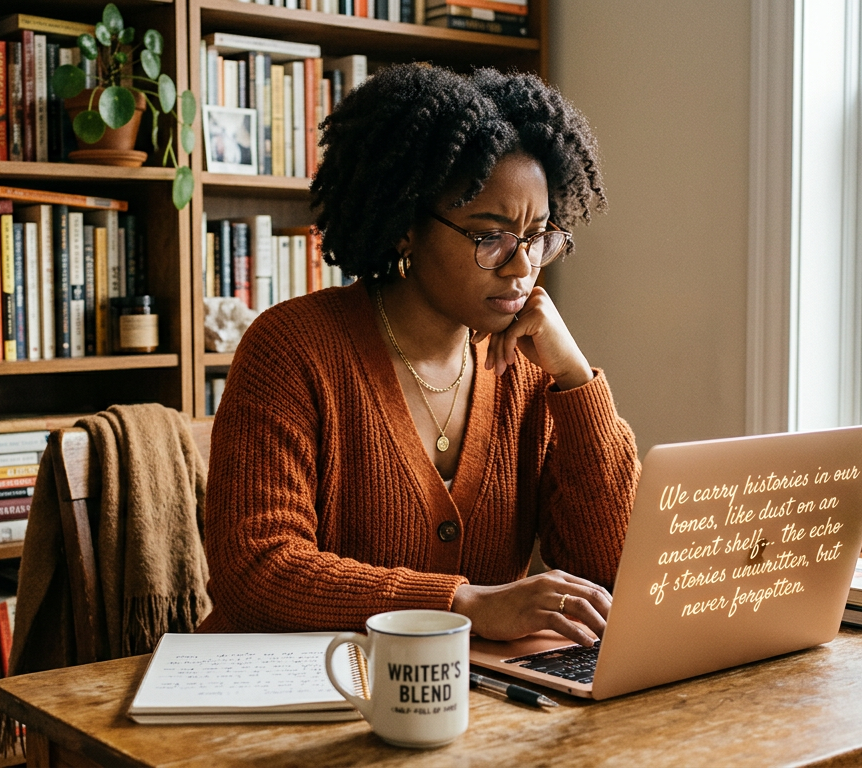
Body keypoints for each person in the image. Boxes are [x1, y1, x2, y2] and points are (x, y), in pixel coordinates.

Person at [198, 64, 640, 649]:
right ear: (406, 226)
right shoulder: (292, 348)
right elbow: (256, 571)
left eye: (537, 236)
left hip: (457, 693)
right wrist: (461, 604)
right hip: (288, 689)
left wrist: (575, 380)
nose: (522, 266)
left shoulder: (531, 371)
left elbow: (609, 569)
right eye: (490, 236)